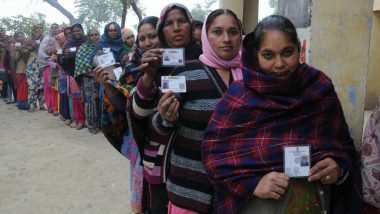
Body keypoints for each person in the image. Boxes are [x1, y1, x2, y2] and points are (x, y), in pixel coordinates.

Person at [202, 15, 362, 214]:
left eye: (287, 52)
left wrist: (337, 168)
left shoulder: (319, 88)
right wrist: (253, 184)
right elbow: (214, 159)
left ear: (298, 48)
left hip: (315, 203)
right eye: (268, 55)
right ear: (256, 55)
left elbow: (343, 147)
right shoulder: (239, 97)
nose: (279, 64)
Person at [151, 8, 242, 213]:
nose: (226, 39)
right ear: (205, 36)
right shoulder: (183, 72)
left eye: (233, 32)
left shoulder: (252, 76)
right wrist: (167, 117)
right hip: (189, 192)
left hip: (237, 192)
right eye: (217, 32)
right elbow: (157, 121)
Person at [130, 3, 202, 213]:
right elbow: (137, 113)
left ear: (191, 26)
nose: (176, 27)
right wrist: (150, 75)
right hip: (161, 159)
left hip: (196, 161)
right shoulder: (153, 63)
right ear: (163, 31)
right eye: (169, 23)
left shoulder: (207, 59)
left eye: (182, 22)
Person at [94, 16, 161, 213]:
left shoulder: (177, 63)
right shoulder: (132, 67)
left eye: (153, 36)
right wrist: (107, 84)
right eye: (142, 38)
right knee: (144, 192)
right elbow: (124, 104)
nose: (147, 42)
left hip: (169, 140)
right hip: (141, 139)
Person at [74, 29, 101, 134]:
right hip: (88, 79)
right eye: (92, 35)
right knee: (90, 102)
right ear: (88, 37)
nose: (95, 37)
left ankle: (101, 124)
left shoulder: (104, 46)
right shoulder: (83, 48)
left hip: (102, 78)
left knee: (100, 101)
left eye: (96, 34)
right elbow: (82, 64)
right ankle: (92, 125)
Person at [61, 23, 86, 130]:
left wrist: (74, 52)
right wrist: (67, 56)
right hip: (73, 74)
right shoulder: (68, 44)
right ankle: (79, 120)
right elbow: (62, 59)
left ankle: (89, 119)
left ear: (82, 31)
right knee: (76, 97)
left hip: (87, 74)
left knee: (88, 98)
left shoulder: (87, 41)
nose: (76, 33)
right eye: (74, 31)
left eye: (78, 30)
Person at [38, 23, 60, 111]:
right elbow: (42, 52)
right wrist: (50, 57)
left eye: (56, 27)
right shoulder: (47, 38)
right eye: (52, 28)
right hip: (48, 64)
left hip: (59, 65)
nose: (54, 29)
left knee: (56, 86)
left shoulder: (62, 36)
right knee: (49, 85)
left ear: (58, 29)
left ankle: (57, 106)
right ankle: (50, 106)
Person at [13, 32, 29, 110]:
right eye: (18, 37)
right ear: (16, 38)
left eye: (22, 36)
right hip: (20, 71)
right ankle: (22, 104)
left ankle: (25, 103)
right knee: (22, 89)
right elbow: (15, 59)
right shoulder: (15, 47)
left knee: (26, 89)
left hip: (28, 69)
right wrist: (19, 51)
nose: (21, 38)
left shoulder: (28, 46)